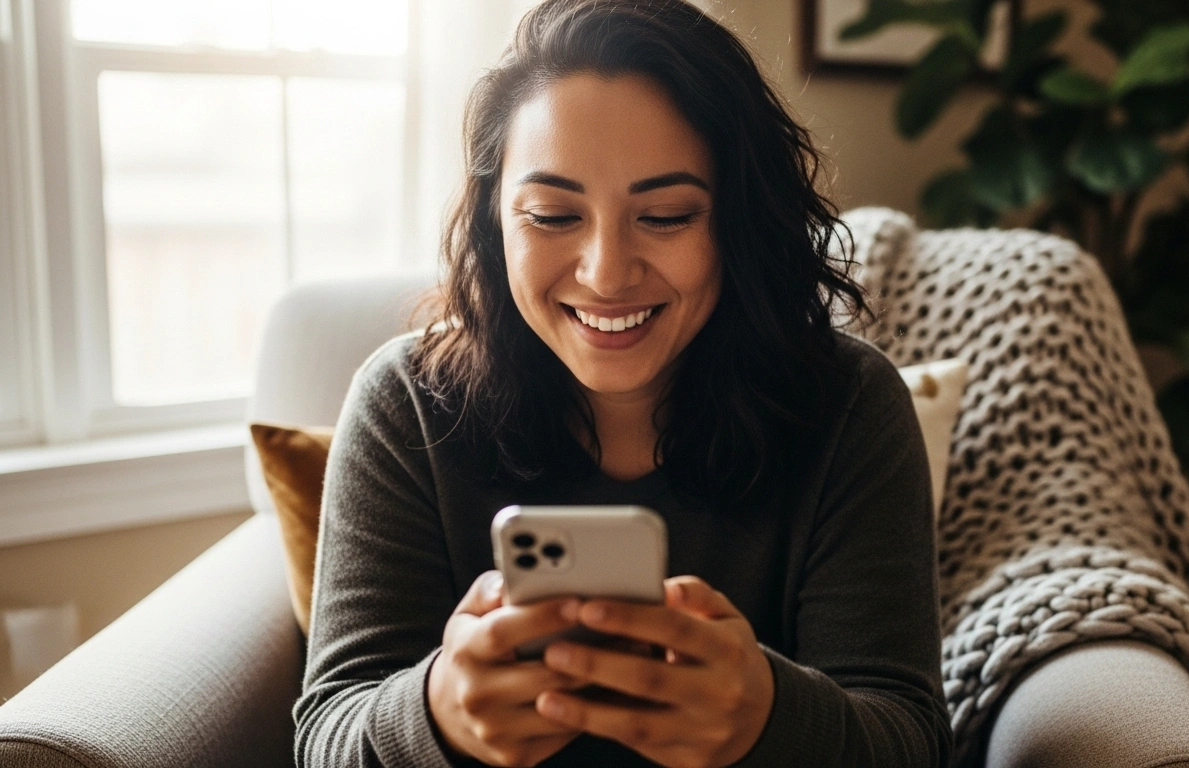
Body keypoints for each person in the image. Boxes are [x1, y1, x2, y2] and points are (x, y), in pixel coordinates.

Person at [293, 1, 950, 766]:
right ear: (491, 224)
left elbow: (909, 740)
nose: (606, 272)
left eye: (666, 215)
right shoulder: (405, 405)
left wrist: (767, 716)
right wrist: (437, 713)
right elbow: (327, 737)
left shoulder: (851, 405)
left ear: (739, 223)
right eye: (550, 215)